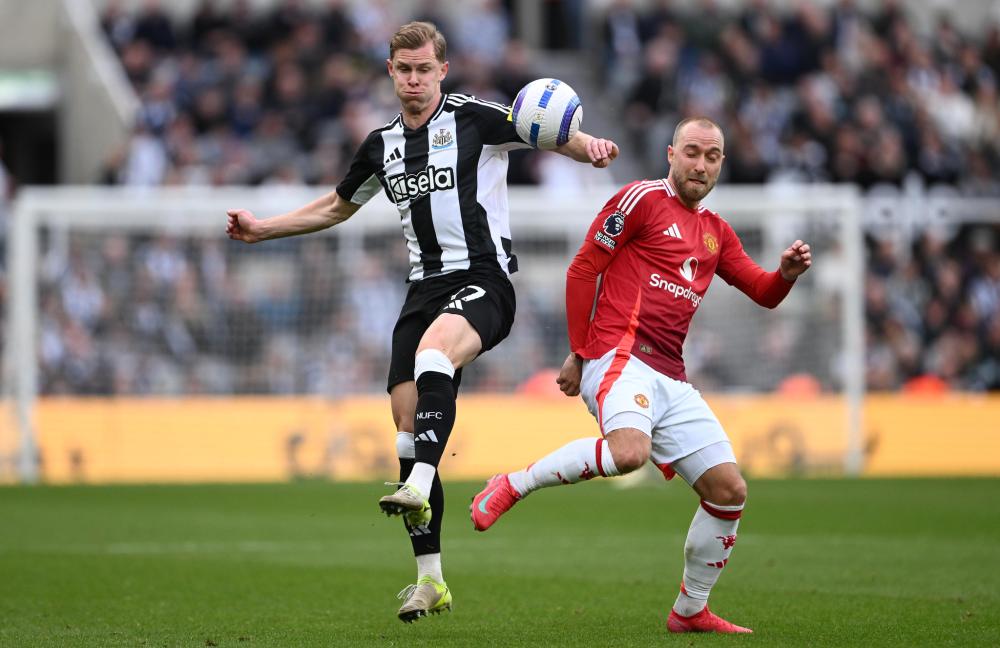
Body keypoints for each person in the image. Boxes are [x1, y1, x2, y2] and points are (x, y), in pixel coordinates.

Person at [225, 21, 619, 622]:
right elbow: (336, 206)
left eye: (423, 70)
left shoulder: (474, 119)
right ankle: (430, 580)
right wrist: (262, 229)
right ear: (390, 72)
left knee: (435, 356)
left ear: (442, 70)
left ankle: (421, 481)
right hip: (420, 293)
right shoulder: (380, 146)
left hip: (484, 281)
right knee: (407, 431)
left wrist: (586, 145)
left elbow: (540, 129)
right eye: (403, 70)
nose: (413, 80)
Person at [470, 116, 812, 634]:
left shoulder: (717, 232)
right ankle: (514, 484)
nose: (701, 164)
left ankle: (690, 610)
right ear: (671, 154)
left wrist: (784, 275)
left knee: (729, 490)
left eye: (712, 156)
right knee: (629, 453)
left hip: (670, 375)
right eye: (692, 152)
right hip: (619, 354)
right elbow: (583, 268)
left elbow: (762, 292)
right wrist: (580, 351)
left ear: (721, 164)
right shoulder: (641, 200)